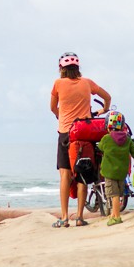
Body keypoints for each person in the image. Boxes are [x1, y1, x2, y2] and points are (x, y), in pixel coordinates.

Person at [50, 51, 110, 227]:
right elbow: (107, 97)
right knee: (82, 174)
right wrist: (103, 110)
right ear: (77, 68)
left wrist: (60, 116)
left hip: (65, 133)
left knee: (65, 175)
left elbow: (53, 107)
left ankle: (64, 217)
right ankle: (80, 217)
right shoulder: (87, 83)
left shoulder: (58, 84)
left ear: (61, 68)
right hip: (84, 133)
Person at [96, 110, 134, 226]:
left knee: (114, 194)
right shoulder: (127, 140)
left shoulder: (106, 139)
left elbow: (100, 149)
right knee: (118, 192)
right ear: (122, 126)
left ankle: (117, 217)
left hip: (109, 172)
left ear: (107, 125)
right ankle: (113, 214)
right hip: (122, 172)